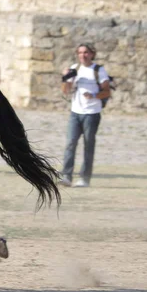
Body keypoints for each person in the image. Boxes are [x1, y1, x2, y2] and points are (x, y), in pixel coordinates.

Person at [59, 43, 110, 188]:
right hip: (76, 112)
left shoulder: (99, 70)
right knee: (70, 143)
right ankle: (66, 176)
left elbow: (107, 91)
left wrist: (94, 95)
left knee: (88, 145)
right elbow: (65, 91)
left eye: (86, 52)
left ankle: (84, 178)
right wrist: (65, 78)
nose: (83, 55)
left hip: (92, 113)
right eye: (80, 52)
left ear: (92, 54)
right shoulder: (75, 68)